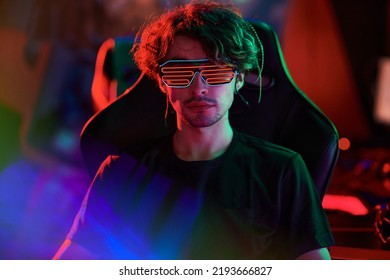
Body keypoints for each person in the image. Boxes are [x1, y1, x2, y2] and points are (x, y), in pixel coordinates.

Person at [54, 1, 334, 260]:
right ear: (162, 83)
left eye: (214, 71)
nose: (198, 88)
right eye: (179, 73)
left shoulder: (282, 171)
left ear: (238, 79)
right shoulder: (121, 171)